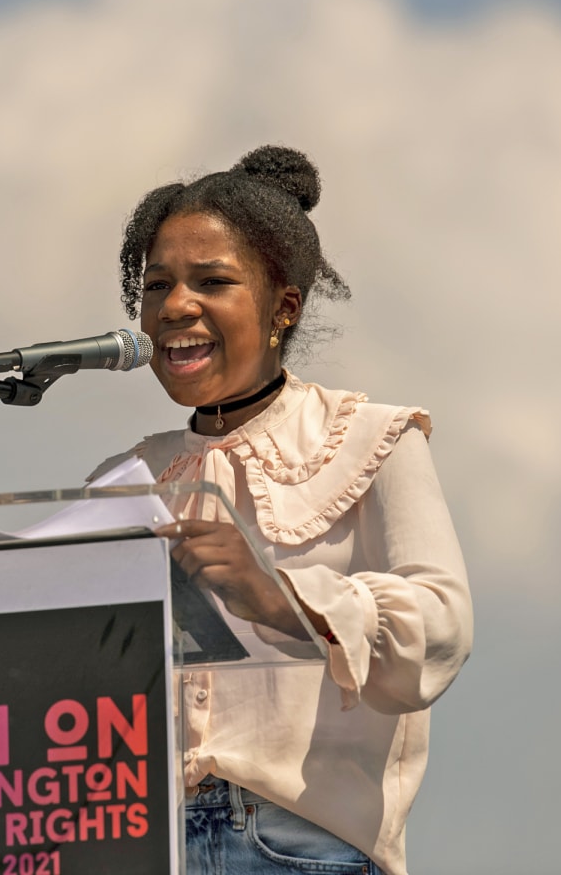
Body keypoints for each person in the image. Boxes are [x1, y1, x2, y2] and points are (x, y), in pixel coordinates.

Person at [91, 146, 472, 875]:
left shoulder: (373, 441)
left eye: (212, 281)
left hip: (297, 847)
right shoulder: (127, 480)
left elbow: (442, 627)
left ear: (282, 309)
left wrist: (279, 596)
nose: (174, 306)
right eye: (158, 284)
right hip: (137, 844)